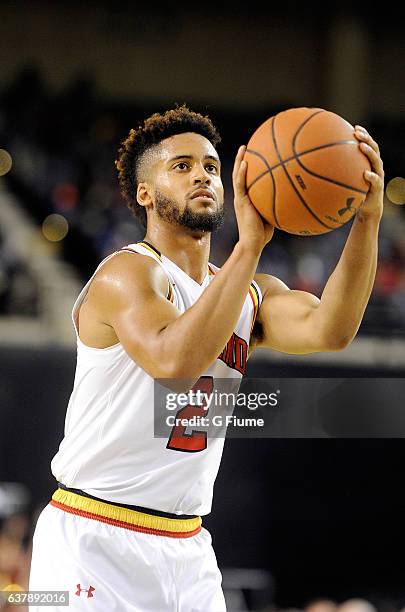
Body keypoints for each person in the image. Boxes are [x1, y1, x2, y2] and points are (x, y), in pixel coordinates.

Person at [28, 105, 384, 611]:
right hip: (94, 537)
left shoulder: (249, 294)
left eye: (212, 167)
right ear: (144, 194)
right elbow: (175, 363)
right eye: (182, 166)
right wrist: (250, 247)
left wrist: (367, 220)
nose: (202, 175)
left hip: (187, 546)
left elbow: (331, 329)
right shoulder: (126, 275)